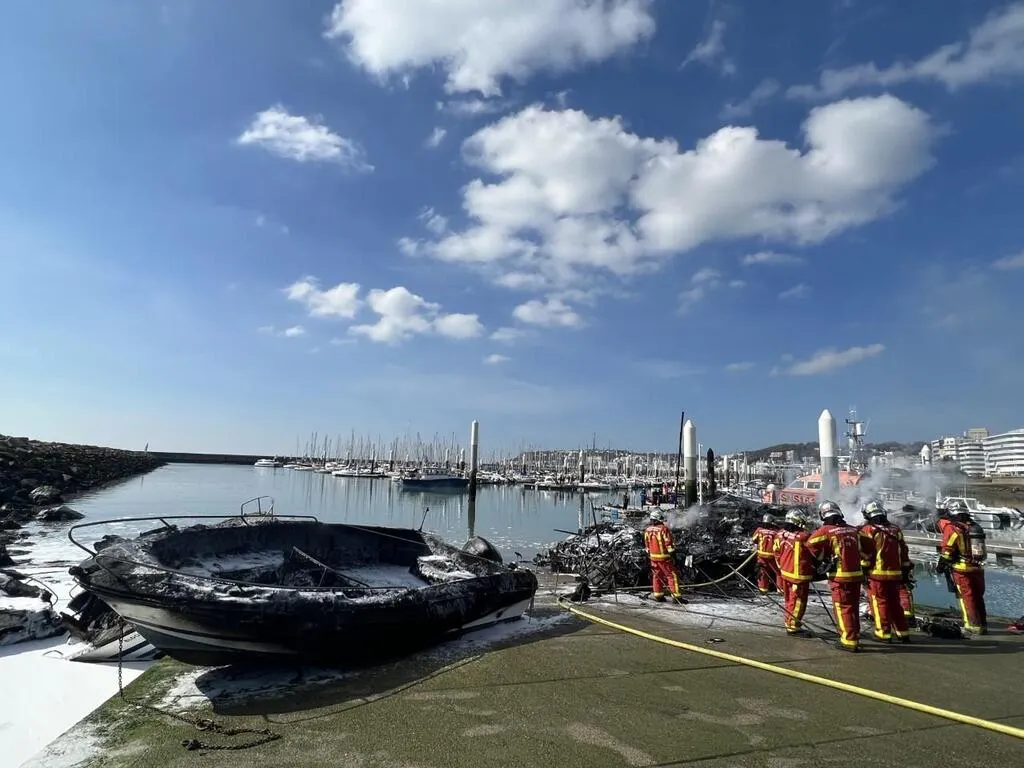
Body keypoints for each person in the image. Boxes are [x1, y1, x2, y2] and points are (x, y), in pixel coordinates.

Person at [807, 500, 865, 652]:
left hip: (840, 576)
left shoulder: (826, 530)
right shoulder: (853, 530)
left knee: (842, 607)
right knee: (853, 607)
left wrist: (823, 557)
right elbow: (863, 548)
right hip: (857, 575)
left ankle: (848, 640)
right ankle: (855, 634)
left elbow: (810, 543)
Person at [858, 500, 912, 643]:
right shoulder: (895, 529)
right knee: (895, 604)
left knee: (879, 603)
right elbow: (904, 552)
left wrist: (863, 570)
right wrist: (905, 571)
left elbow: (866, 553)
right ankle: (903, 632)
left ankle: (883, 633)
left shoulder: (868, 530)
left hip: (877, 575)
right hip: (896, 575)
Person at [937, 501, 988, 634]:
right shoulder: (975, 526)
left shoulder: (952, 528)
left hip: (962, 569)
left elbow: (947, 550)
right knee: (978, 597)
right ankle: (983, 625)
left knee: (966, 597)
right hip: (978, 567)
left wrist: (941, 565)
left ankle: (971, 626)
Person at [773, 509, 815, 636]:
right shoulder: (803, 536)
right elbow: (815, 551)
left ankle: (788, 621)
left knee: (789, 600)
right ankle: (793, 626)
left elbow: (776, 552)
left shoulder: (780, 534)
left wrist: (781, 567)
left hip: (785, 573)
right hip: (799, 575)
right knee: (798, 601)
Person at [643, 509, 683, 602]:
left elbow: (647, 545)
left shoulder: (647, 530)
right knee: (671, 575)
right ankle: (676, 597)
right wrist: (674, 555)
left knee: (657, 576)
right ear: (658, 518)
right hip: (664, 558)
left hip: (653, 558)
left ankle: (658, 595)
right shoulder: (663, 529)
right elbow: (668, 544)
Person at [751, 514, 783, 594]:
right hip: (773, 556)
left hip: (761, 556)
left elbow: (754, 539)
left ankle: (763, 590)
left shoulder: (759, 530)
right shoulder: (777, 531)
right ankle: (781, 590)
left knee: (762, 572)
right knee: (778, 572)